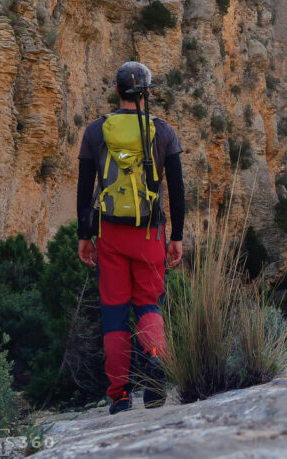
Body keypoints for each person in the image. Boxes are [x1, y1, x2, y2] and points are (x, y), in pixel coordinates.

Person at [76, 61, 186, 414]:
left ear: (117, 92)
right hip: (150, 233)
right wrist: (177, 236)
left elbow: (84, 188)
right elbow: (177, 190)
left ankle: (120, 395)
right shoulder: (163, 131)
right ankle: (155, 367)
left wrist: (85, 235)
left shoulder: (96, 131)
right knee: (149, 304)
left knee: (114, 313)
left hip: (110, 234)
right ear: (147, 94)